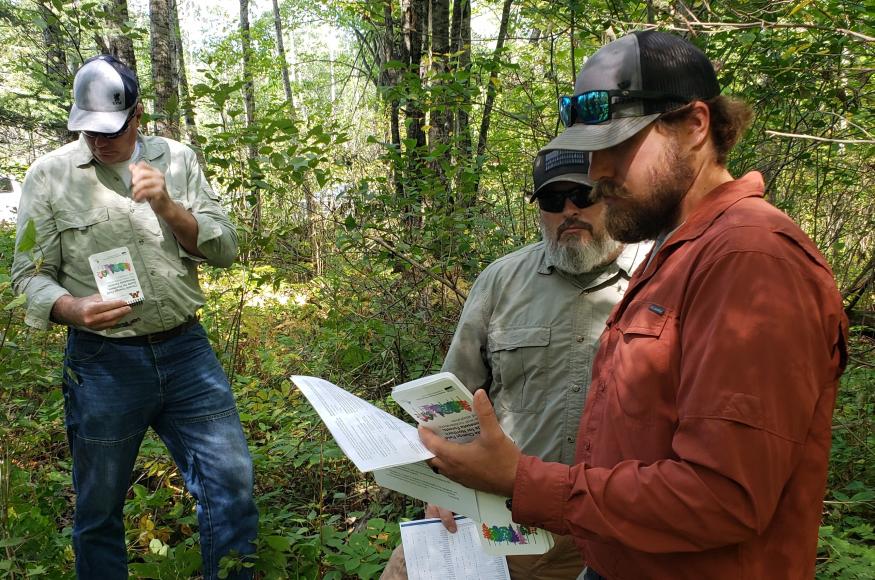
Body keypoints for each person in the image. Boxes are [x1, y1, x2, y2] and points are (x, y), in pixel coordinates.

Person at [418, 30, 848, 579]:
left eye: (616, 145)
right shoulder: (678, 253)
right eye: (591, 151)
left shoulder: (750, 257)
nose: (596, 173)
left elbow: (724, 497)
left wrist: (523, 482)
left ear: (694, 126)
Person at [11, 55, 258, 579]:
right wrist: (71, 307)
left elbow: (225, 249)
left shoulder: (178, 159)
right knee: (98, 507)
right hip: (103, 363)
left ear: (138, 115)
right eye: (88, 132)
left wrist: (169, 206)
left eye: (111, 132)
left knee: (230, 486)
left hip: (187, 352)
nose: (99, 144)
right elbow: (27, 276)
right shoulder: (51, 176)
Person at [381, 151, 650, 579]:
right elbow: (450, 404)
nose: (569, 210)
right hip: (492, 514)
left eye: (582, 194)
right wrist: (442, 489)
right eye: (552, 200)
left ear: (614, 196)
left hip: (604, 530)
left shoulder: (660, 280)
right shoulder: (501, 281)